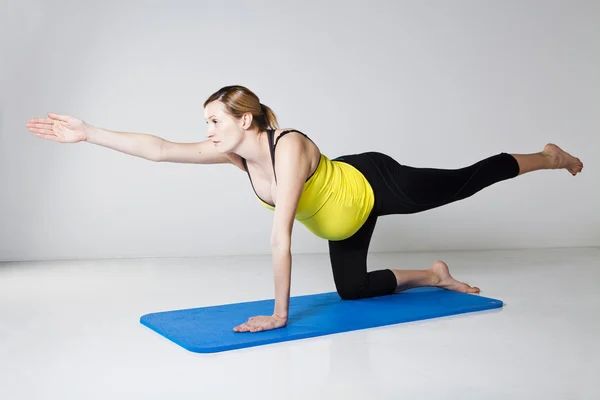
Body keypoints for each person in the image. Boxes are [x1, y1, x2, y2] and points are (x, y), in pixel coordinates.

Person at [26, 85, 584, 334]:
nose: (207, 132)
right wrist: (90, 133)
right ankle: (433, 274)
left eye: (215, 121)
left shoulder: (286, 146)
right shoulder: (235, 158)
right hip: (346, 220)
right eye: (205, 124)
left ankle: (547, 156)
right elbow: (160, 149)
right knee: (354, 291)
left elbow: (282, 234)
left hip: (374, 184)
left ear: (246, 120)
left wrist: (280, 313)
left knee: (464, 182)